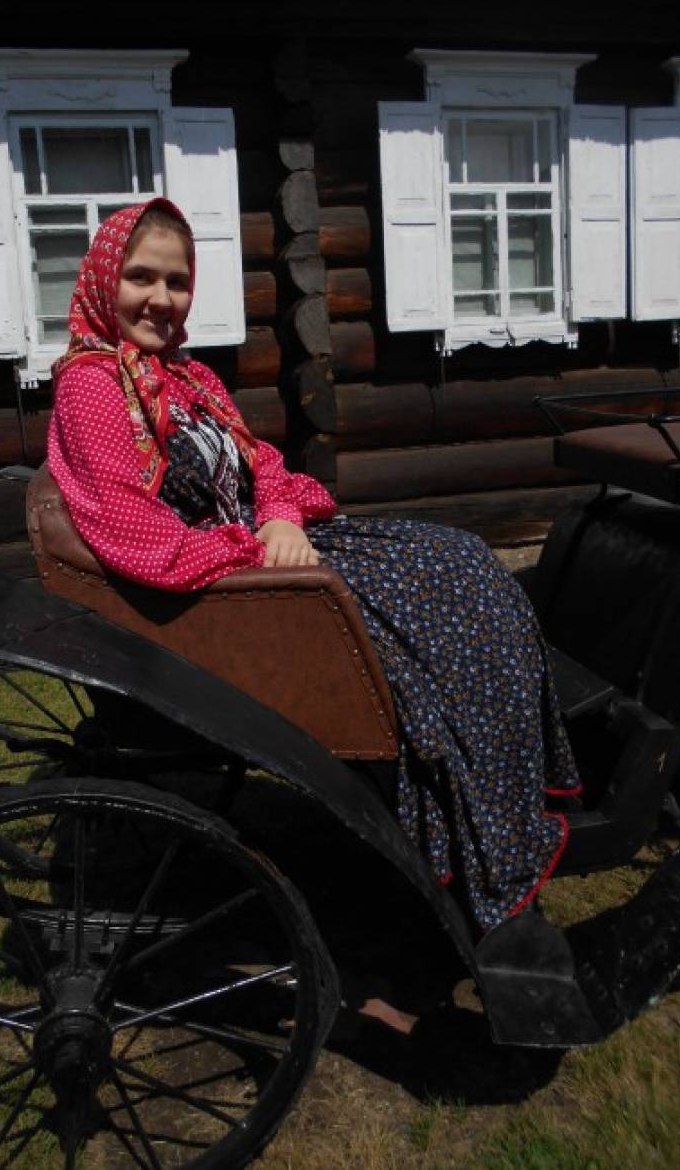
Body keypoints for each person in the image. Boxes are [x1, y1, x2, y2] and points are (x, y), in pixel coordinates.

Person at [48, 197, 580, 941]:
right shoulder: (94, 387)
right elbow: (138, 533)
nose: (161, 299)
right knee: (452, 595)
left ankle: (497, 775)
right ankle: (479, 805)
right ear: (105, 279)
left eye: (177, 281)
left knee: (460, 559)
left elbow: (262, 463)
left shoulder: (186, 376)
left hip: (266, 548)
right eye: (142, 277)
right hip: (230, 586)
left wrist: (279, 517)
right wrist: (255, 547)